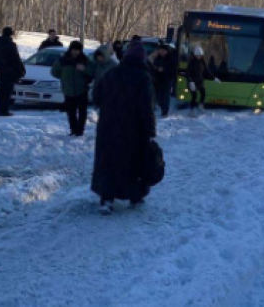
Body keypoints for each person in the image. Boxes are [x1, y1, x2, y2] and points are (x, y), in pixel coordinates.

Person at [91, 42, 156, 214]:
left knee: (108, 162)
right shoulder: (143, 77)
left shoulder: (113, 73)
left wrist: (108, 108)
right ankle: (135, 196)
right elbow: (147, 108)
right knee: (133, 163)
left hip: (108, 127)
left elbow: (96, 95)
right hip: (133, 129)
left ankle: (106, 199)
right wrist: (150, 130)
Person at [51, 41, 94, 137]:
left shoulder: (85, 60)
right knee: (71, 112)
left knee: (82, 112)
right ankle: (73, 129)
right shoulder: (63, 60)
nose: (76, 52)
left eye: (78, 50)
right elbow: (54, 71)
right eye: (74, 50)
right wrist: (64, 77)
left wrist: (84, 69)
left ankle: (80, 130)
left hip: (82, 90)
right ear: (70, 49)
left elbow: (92, 72)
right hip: (68, 90)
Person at [0, 27, 26, 117]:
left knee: (1, 90)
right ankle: (4, 110)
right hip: (9, 71)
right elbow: (15, 58)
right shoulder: (10, 44)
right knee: (7, 91)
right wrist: (21, 69)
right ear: (11, 34)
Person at [186, 46, 220, 116]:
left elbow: (207, 71)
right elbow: (188, 73)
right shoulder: (191, 62)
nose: (199, 57)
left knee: (203, 93)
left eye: (200, 55)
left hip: (200, 81)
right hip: (192, 82)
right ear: (195, 55)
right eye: (197, 55)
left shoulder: (203, 62)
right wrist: (190, 82)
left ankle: (200, 106)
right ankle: (191, 111)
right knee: (194, 96)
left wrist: (214, 78)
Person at [149, 44, 177, 118]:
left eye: (163, 50)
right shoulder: (157, 58)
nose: (161, 52)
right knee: (158, 97)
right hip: (157, 80)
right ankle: (161, 106)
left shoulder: (171, 59)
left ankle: (165, 111)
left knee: (166, 96)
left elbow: (173, 71)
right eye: (160, 50)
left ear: (166, 51)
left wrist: (164, 70)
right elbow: (152, 68)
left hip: (167, 80)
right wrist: (155, 69)